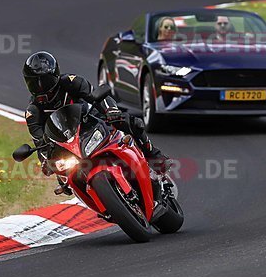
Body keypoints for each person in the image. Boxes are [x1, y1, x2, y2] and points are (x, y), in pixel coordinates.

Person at [22, 51, 171, 195]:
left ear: (55, 75)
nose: (41, 87)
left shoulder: (71, 82)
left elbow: (96, 96)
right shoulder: (33, 112)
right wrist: (46, 163)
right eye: (34, 83)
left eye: (45, 81)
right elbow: (40, 143)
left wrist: (111, 110)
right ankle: (102, 202)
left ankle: (154, 156)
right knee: (66, 175)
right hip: (68, 144)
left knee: (130, 123)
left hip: (93, 120)